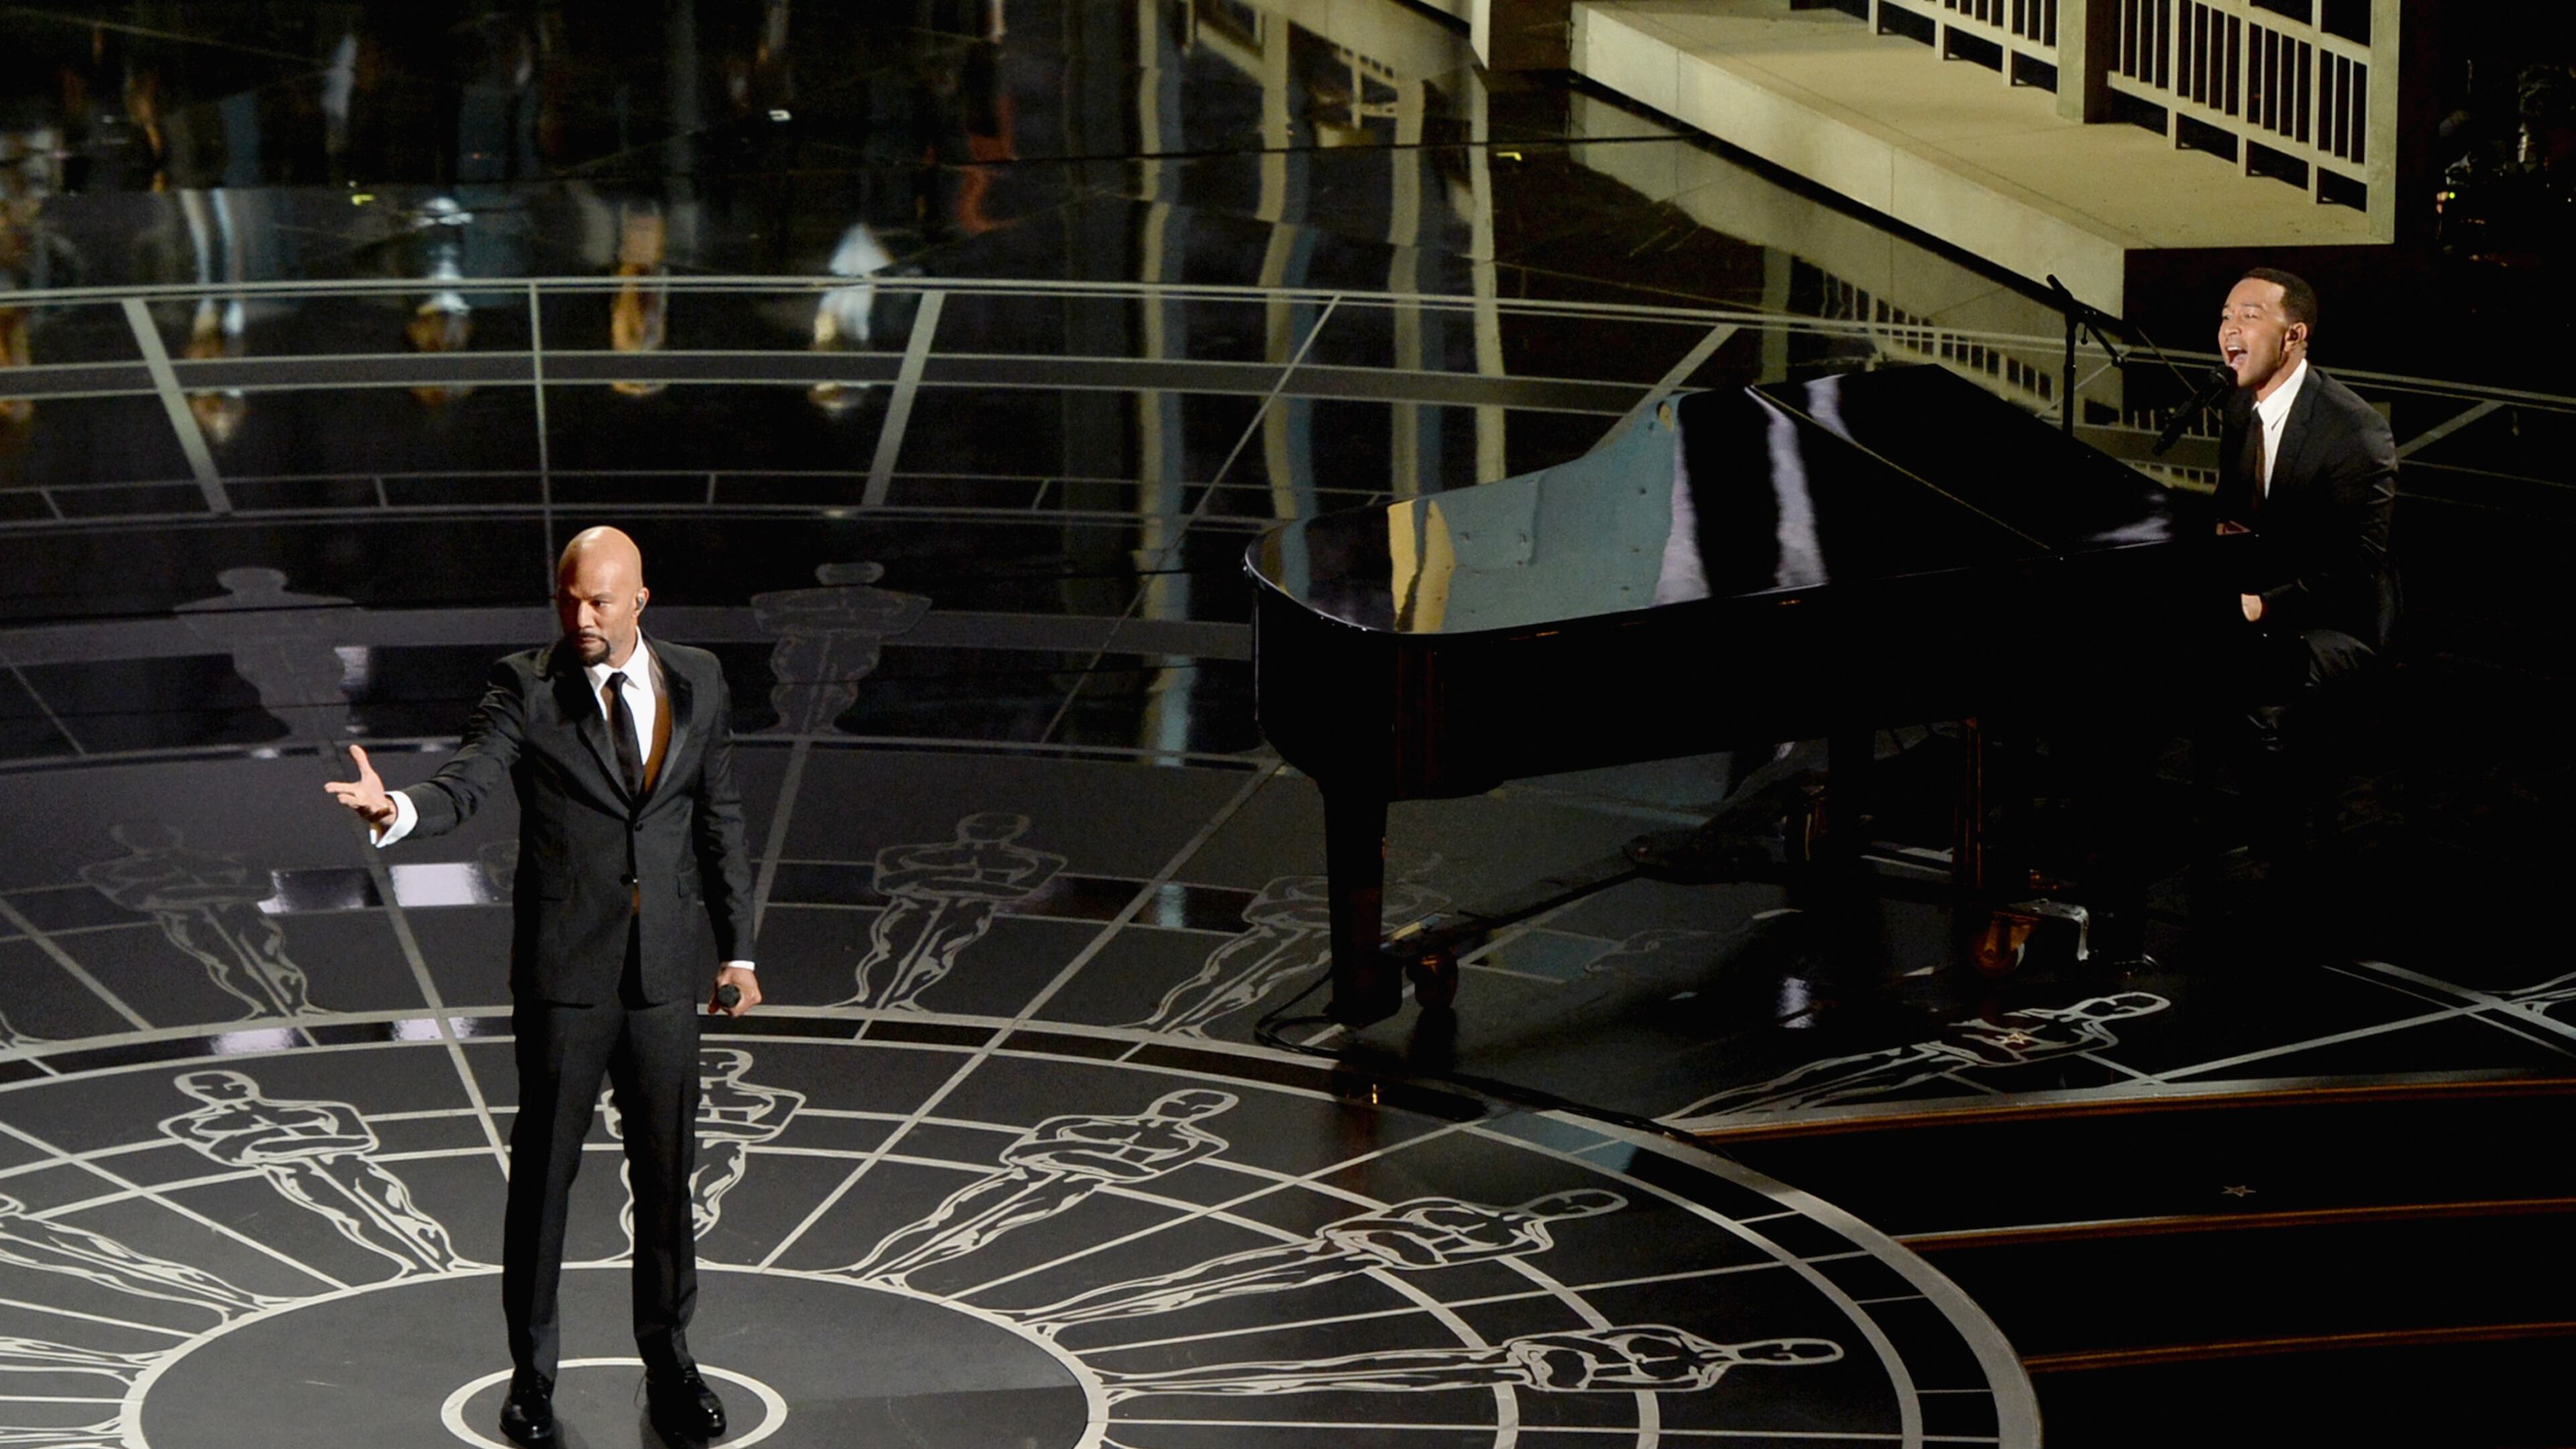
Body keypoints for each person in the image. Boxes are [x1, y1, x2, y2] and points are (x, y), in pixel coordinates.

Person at [324, 526, 758, 1446]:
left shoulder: (702, 679)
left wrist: (739, 951)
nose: (581, 617)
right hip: (567, 977)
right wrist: (398, 810)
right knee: (545, 1184)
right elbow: (468, 782)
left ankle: (672, 1364)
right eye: (568, 600)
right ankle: (531, 1377)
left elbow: (718, 816)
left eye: (599, 601)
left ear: (641, 598)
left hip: (665, 976)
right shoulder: (525, 685)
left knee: (669, 1177)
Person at [2210, 268, 2400, 871]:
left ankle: (2282, 859)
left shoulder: (2354, 429)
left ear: (2294, 336)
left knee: (2261, 696)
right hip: (2260, 602)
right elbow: (2233, 523)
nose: (2230, 331)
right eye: (2225, 317)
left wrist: (2263, 605)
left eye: (2248, 316)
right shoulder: (2240, 413)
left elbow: (2357, 564)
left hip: (2339, 622)